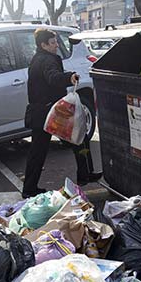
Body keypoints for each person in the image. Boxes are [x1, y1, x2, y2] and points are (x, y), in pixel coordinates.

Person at [23, 29, 99, 198]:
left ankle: (85, 175)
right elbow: (53, 76)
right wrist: (69, 77)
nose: (57, 45)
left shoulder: (37, 58)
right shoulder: (48, 60)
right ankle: (84, 175)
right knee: (77, 139)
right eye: (53, 42)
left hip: (44, 112)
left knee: (78, 139)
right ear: (43, 45)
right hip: (50, 113)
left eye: (56, 41)